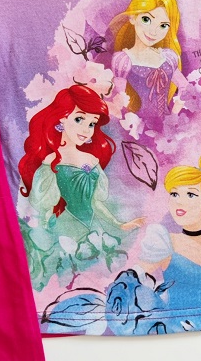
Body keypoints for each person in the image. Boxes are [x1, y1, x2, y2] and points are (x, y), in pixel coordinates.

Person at [18, 85, 144, 289]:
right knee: (68, 280)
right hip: (64, 230)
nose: (86, 129)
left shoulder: (92, 160)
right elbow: (44, 208)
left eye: (92, 123)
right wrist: (43, 234)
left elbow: (95, 203)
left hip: (95, 229)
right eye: (79, 119)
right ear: (61, 119)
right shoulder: (51, 161)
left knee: (103, 277)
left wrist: (119, 224)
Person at [139, 151, 201, 321]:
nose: (179, 201)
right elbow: (132, 280)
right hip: (170, 328)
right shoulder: (166, 242)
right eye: (174, 194)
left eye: (191, 194)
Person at [109, 0, 189, 129]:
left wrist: (174, 113)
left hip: (167, 125)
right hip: (137, 127)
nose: (153, 31)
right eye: (146, 19)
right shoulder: (123, 60)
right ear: (133, 18)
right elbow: (119, 99)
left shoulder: (168, 57)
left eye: (163, 25)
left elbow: (185, 87)